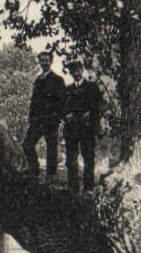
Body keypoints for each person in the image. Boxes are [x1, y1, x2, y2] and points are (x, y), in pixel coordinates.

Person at [23, 49, 66, 181]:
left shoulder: (58, 80)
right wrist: (31, 118)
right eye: (42, 60)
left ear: (51, 62)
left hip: (50, 120)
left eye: (47, 60)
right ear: (39, 62)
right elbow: (33, 102)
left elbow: (62, 101)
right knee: (27, 144)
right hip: (37, 120)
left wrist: (56, 118)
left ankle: (51, 175)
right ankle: (34, 168)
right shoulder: (38, 80)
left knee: (51, 147)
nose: (44, 63)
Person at [63, 59, 102, 193]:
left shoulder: (92, 87)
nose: (76, 73)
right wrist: (66, 115)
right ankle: (73, 187)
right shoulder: (67, 90)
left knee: (88, 158)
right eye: (73, 71)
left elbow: (99, 105)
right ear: (70, 73)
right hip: (71, 129)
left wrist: (91, 112)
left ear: (82, 70)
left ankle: (88, 188)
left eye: (78, 70)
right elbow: (61, 108)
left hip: (87, 128)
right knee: (71, 159)